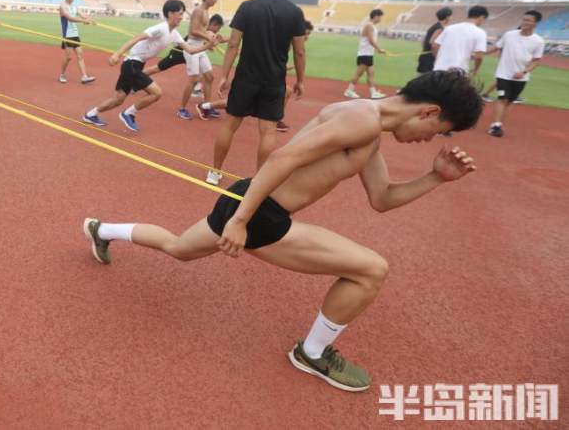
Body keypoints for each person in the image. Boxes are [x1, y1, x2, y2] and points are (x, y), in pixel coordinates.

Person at [82, 69, 482, 392]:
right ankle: (312, 353)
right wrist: (240, 222)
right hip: (259, 213)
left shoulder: (368, 128)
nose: (432, 140)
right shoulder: (362, 121)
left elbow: (382, 198)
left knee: (178, 247)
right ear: (429, 112)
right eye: (441, 130)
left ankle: (103, 230)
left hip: (248, 200)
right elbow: (282, 157)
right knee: (371, 269)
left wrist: (436, 178)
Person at [208, 0, 307, 186]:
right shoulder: (294, 12)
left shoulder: (248, 7)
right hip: (274, 79)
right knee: (268, 131)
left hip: (246, 77)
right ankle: (259, 181)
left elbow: (233, 44)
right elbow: (299, 51)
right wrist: (300, 80)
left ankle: (214, 173)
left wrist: (224, 75)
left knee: (230, 124)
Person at [82, 0, 215, 132]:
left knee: (118, 99)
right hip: (131, 64)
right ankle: (129, 113)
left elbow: (190, 50)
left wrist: (208, 45)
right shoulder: (160, 28)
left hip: (136, 65)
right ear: (170, 14)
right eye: (179, 14)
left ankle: (90, 114)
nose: (182, 17)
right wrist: (117, 54)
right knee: (156, 93)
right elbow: (137, 38)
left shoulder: (174, 34)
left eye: (182, 14)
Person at [198, 20, 315, 131]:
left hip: (261, 73)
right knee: (239, 102)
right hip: (256, 73)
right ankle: (205, 106)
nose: (307, 37)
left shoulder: (287, 40)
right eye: (306, 33)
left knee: (283, 92)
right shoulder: (284, 39)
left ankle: (276, 120)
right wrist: (293, 66)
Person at [487, 11, 545, 137]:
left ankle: (499, 124)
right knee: (503, 99)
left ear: (535, 23)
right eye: (524, 19)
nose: (525, 22)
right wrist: (481, 54)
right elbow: (497, 47)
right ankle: (495, 125)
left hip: (521, 77)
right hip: (503, 74)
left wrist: (524, 72)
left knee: (510, 102)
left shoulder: (538, 41)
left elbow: (536, 61)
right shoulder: (509, 35)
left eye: (529, 20)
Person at [177, 0, 223, 120]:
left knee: (209, 77)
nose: (216, 0)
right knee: (194, 79)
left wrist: (210, 37)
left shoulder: (206, 11)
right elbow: (193, 31)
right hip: (192, 47)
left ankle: (206, 106)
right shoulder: (199, 11)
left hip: (200, 48)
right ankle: (181, 109)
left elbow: (201, 31)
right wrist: (208, 37)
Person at [432, 5, 489, 75]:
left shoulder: (450, 28)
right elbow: (479, 56)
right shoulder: (480, 32)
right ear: (482, 17)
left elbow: (435, 46)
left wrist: (439, 59)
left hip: (439, 69)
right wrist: (475, 69)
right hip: (458, 72)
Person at [344, 9, 387, 99]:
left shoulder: (372, 26)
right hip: (364, 55)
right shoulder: (369, 26)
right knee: (358, 74)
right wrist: (379, 49)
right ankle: (349, 90)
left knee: (371, 74)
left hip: (368, 54)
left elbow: (370, 41)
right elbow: (370, 40)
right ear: (376, 16)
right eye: (380, 17)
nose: (381, 19)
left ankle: (373, 92)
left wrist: (375, 50)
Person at [58, 0, 96, 84]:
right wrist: (83, 21)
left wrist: (90, 19)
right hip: (67, 35)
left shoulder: (75, 6)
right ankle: (62, 74)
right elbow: (70, 18)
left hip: (75, 34)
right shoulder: (62, 6)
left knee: (80, 56)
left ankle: (84, 76)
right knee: (69, 57)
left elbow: (82, 14)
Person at [416, 7, 452, 74]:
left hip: (425, 55)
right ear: (447, 17)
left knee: (422, 78)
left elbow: (424, 41)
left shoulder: (434, 26)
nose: (451, 18)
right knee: (428, 80)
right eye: (450, 16)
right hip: (430, 58)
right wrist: (437, 57)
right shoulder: (439, 28)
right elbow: (433, 43)